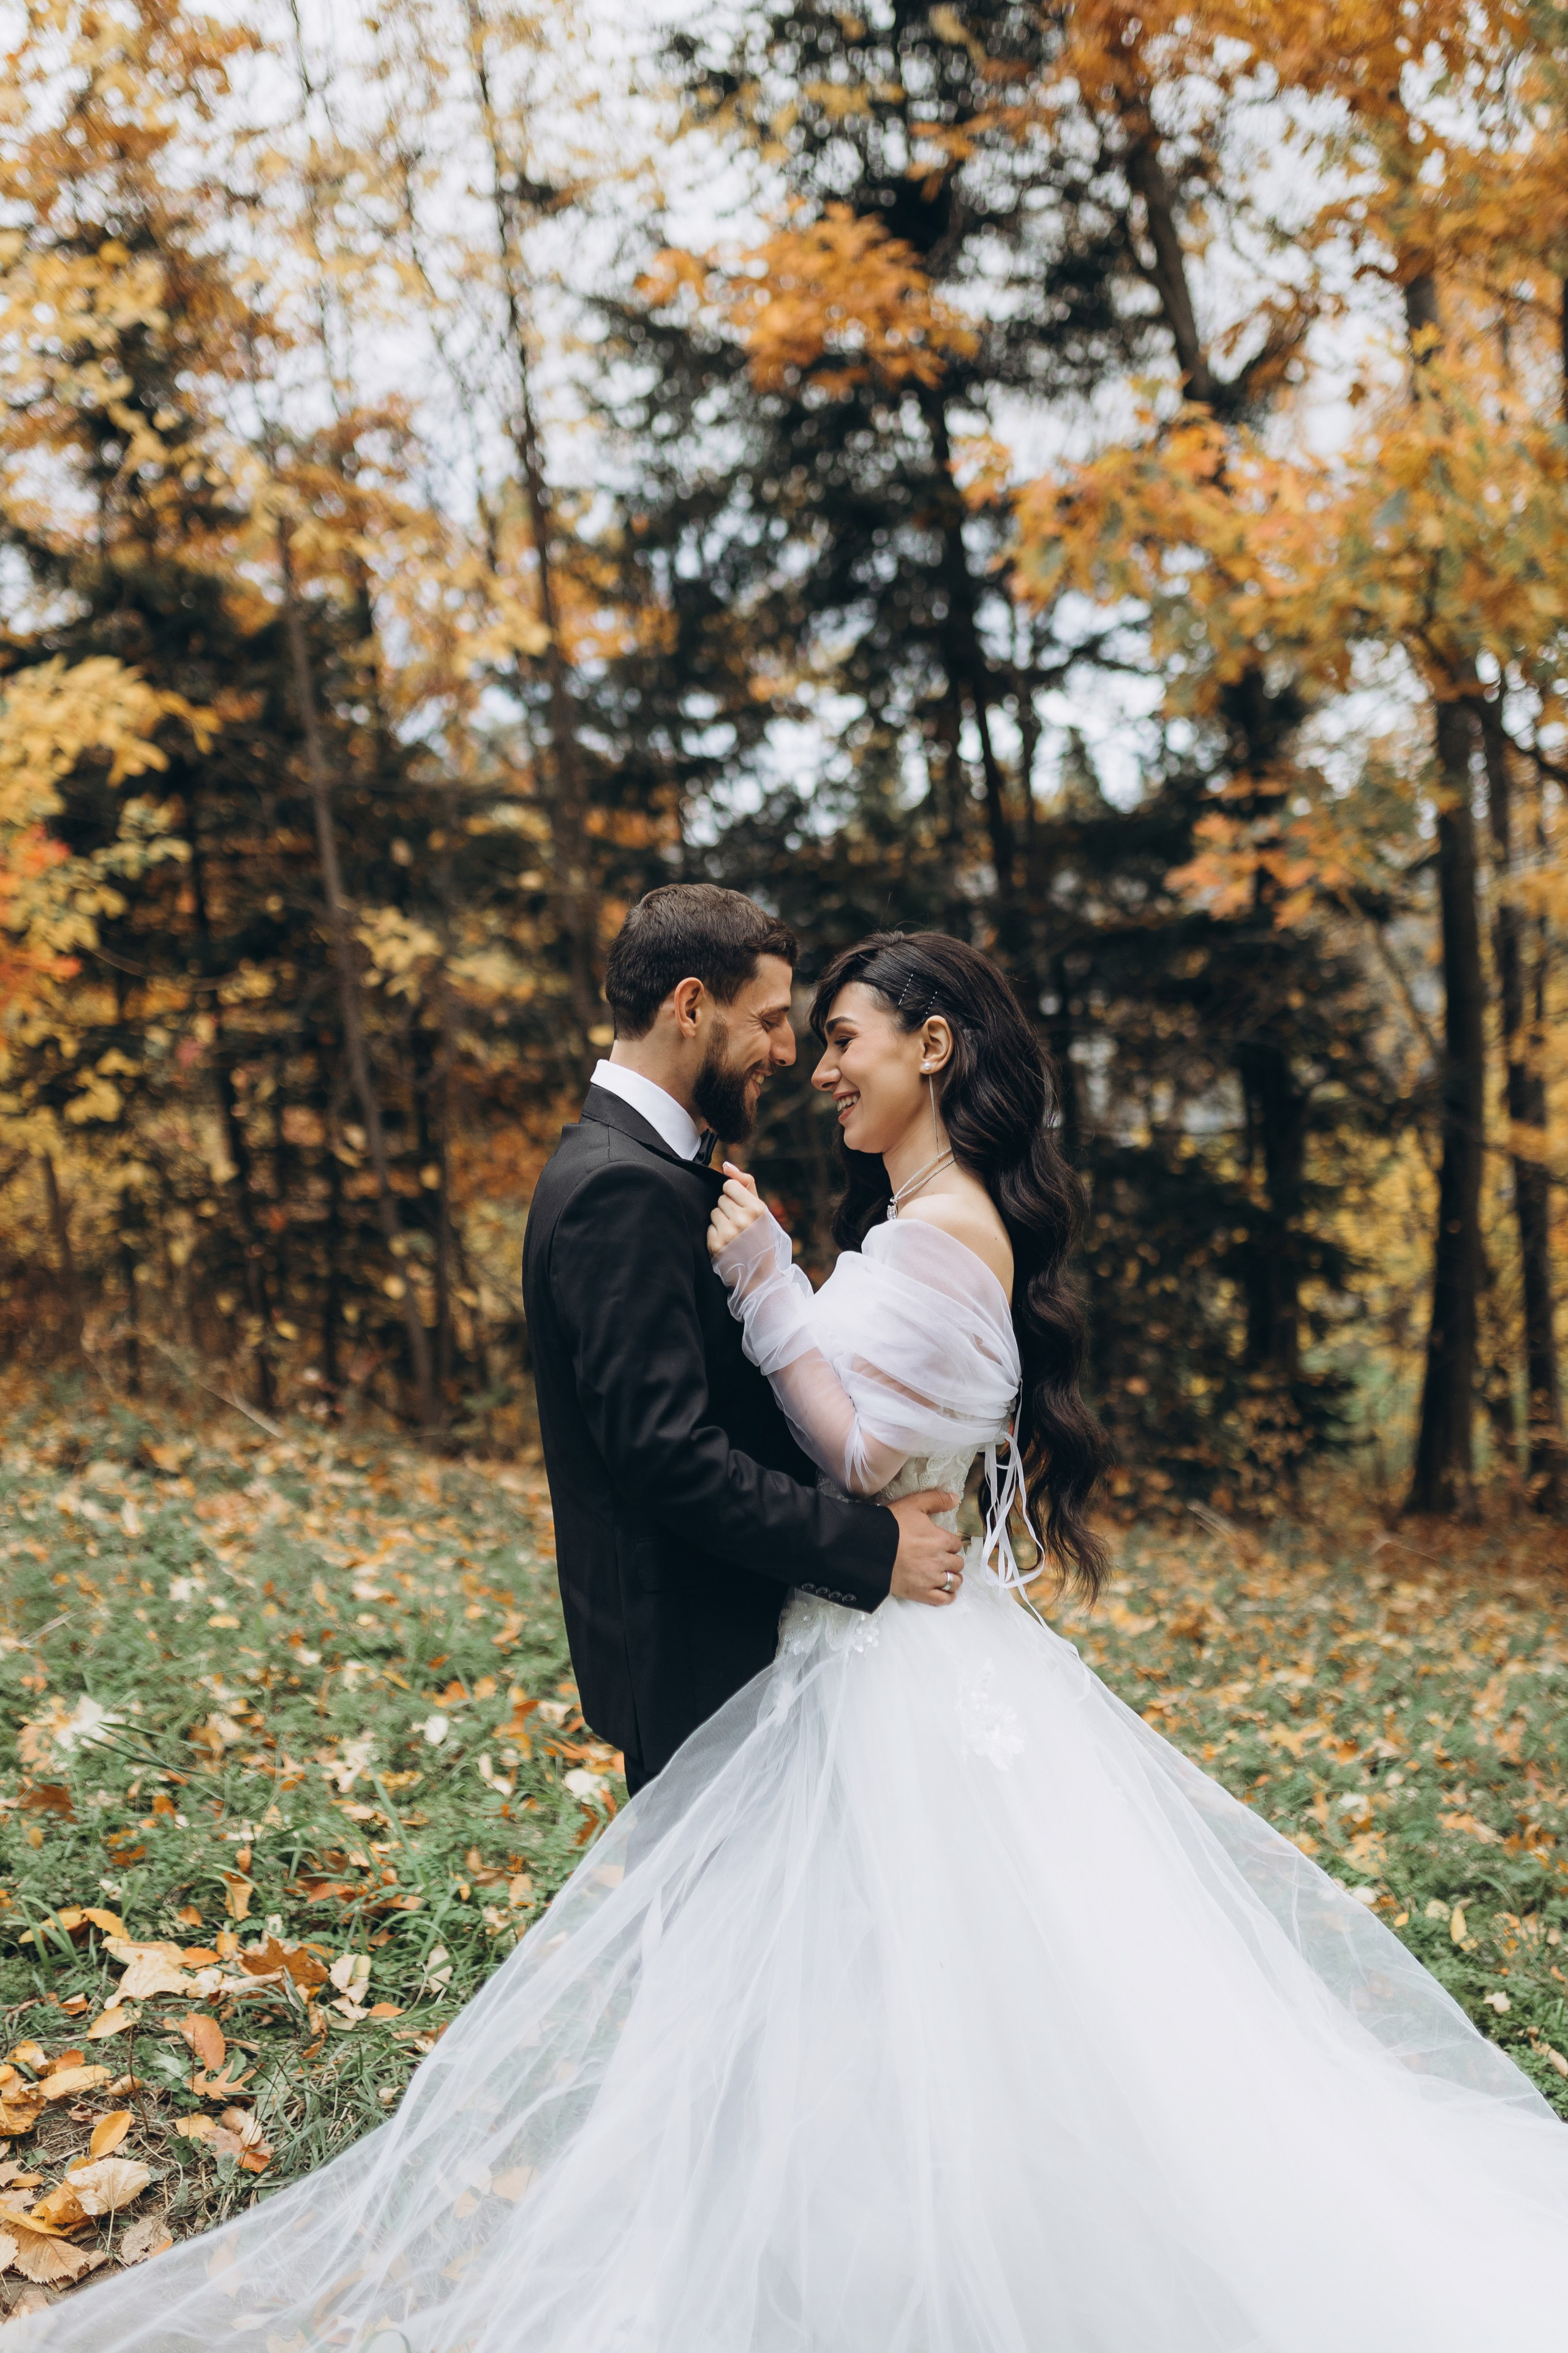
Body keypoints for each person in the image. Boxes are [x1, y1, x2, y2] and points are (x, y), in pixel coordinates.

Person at [25, 931, 1568, 2353]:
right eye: (797, 1031)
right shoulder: (871, 1216)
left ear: (932, 1048)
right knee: (844, 2000)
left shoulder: (940, 1234)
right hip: (856, 1643)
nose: (813, 1063)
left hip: (889, 1661)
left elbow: (856, 1450)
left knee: (903, 1997)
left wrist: (767, 1285)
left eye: (838, 1036)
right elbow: (750, 1433)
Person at [520, 884, 963, 1792]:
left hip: (730, 1644)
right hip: (698, 1662)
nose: (790, 1051)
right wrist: (872, 1547)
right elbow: (669, 1457)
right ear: (690, 1007)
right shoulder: (619, 1189)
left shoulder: (649, 1171)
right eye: (768, 1020)